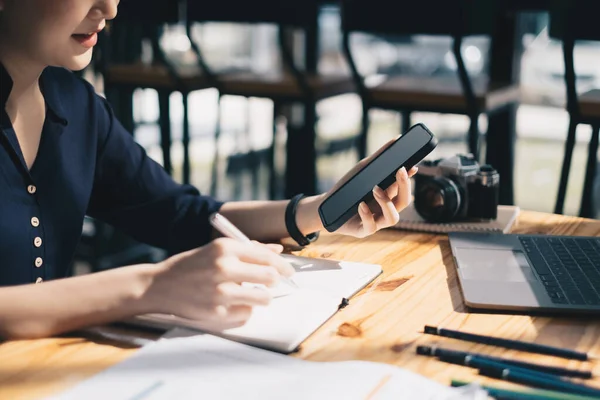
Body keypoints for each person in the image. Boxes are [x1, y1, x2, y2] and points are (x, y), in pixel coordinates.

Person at [0, 0, 417, 339]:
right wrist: (149, 287)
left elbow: (180, 213)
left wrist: (322, 210)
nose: (109, 8)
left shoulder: (77, 104)